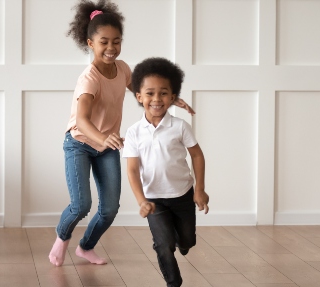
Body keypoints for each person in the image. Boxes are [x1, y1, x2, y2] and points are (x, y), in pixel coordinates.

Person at [49, 0, 194, 267]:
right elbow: (81, 119)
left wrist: (172, 100)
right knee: (81, 206)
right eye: (104, 42)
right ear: (90, 43)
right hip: (79, 143)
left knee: (109, 209)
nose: (111, 48)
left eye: (117, 41)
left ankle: (86, 247)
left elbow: (145, 93)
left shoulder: (124, 69)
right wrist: (102, 137)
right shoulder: (89, 78)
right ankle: (62, 237)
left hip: (107, 146)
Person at [123, 57, 209, 287]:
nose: (156, 99)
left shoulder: (180, 126)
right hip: (154, 199)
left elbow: (197, 155)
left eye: (163, 93)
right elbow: (132, 170)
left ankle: (181, 242)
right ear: (139, 97)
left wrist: (199, 190)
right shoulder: (133, 132)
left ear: (172, 97)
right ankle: (173, 282)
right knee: (163, 244)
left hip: (182, 195)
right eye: (150, 93)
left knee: (188, 240)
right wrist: (141, 201)